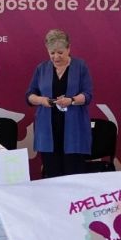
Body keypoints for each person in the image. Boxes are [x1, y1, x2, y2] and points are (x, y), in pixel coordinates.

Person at [27, 29, 93, 177]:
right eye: (52, 53)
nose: (56, 57)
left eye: (60, 52)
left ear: (69, 48)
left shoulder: (80, 66)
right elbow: (29, 95)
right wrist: (41, 100)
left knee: (74, 174)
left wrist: (72, 100)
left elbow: (88, 95)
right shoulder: (41, 68)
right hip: (47, 130)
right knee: (52, 174)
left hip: (74, 129)